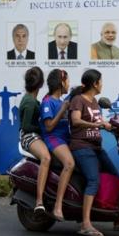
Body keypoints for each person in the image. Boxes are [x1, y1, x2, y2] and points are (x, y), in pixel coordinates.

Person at [69, 69, 119, 236]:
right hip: (82, 147)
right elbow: (75, 121)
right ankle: (85, 224)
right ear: (95, 83)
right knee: (93, 180)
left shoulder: (95, 102)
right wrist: (97, 126)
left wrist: (115, 125)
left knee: (115, 176)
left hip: (96, 148)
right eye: (101, 81)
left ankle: (118, 220)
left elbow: (98, 122)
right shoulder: (78, 100)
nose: (102, 84)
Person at [39, 69, 75, 222]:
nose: (68, 84)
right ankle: (58, 206)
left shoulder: (62, 102)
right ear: (61, 82)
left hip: (65, 139)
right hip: (53, 138)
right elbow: (48, 127)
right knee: (69, 163)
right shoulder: (48, 101)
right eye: (67, 81)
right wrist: (63, 110)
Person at [19, 67, 49, 213]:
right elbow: (26, 126)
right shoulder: (30, 102)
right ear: (41, 83)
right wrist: (42, 129)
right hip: (28, 136)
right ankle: (39, 201)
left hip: (34, 135)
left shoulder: (31, 99)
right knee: (46, 158)